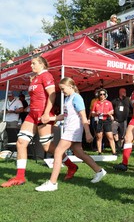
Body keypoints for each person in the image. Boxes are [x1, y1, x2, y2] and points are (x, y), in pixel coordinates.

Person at [1, 56, 77, 188]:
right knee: (21, 142)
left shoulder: (46, 75)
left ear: (42, 64)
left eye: (34, 63)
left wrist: (47, 113)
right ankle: (19, 177)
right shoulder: (35, 77)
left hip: (43, 114)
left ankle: (71, 166)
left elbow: (52, 95)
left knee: (47, 146)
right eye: (31, 64)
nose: (31, 66)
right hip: (32, 114)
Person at [35, 77, 107, 191]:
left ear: (70, 86)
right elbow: (65, 115)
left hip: (73, 129)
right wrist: (50, 118)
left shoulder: (76, 98)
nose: (62, 91)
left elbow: (83, 116)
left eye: (63, 89)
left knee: (58, 152)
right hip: (71, 129)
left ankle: (52, 183)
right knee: (79, 153)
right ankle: (99, 171)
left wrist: (88, 133)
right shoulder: (68, 98)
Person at [114, 73, 134, 171]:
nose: (133, 82)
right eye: (133, 80)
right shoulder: (133, 92)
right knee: (127, 138)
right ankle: (124, 164)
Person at [91, 88, 116, 155]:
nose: (102, 95)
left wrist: (109, 113)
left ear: (106, 95)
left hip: (106, 120)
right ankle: (99, 152)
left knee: (110, 136)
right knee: (99, 136)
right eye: (100, 94)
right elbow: (92, 113)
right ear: (98, 95)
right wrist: (96, 113)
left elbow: (112, 111)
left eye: (103, 94)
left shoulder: (109, 103)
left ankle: (114, 152)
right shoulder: (95, 103)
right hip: (98, 120)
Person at [111, 88, 131, 153]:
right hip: (116, 120)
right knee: (114, 132)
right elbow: (110, 108)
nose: (124, 92)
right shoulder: (115, 100)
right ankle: (118, 146)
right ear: (119, 92)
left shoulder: (128, 100)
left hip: (124, 120)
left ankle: (121, 147)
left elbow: (133, 107)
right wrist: (111, 116)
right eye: (123, 91)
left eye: (125, 91)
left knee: (122, 135)